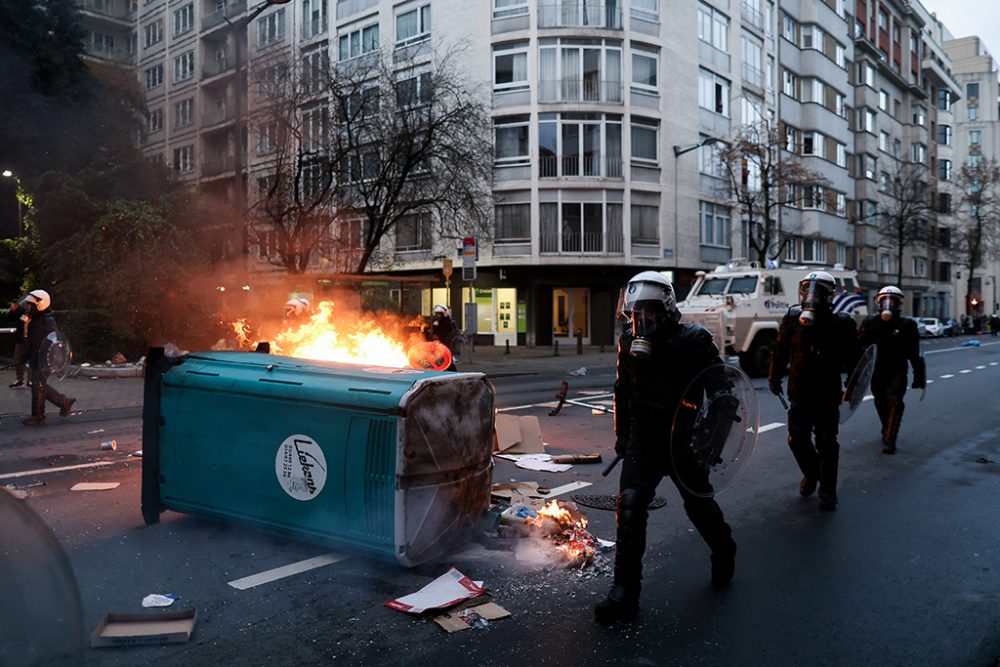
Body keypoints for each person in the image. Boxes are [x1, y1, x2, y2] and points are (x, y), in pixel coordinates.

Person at [594, 271, 737, 624]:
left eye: (646, 311)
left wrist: (709, 440)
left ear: (666, 308)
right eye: (633, 313)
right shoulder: (629, 341)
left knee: (699, 504)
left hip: (683, 439)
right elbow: (622, 391)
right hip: (644, 438)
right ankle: (624, 592)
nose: (639, 320)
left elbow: (722, 394)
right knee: (629, 507)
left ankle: (724, 549)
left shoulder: (695, 340)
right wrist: (622, 436)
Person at [768, 271, 861, 511]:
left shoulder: (842, 323)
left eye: (817, 290)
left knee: (827, 441)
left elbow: (855, 360)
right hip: (799, 390)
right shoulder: (792, 317)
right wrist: (774, 376)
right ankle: (812, 473)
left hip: (827, 392)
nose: (811, 295)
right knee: (797, 438)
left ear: (829, 295)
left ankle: (828, 491)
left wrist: (853, 386)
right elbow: (780, 350)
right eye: (808, 289)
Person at [858, 286, 926, 454]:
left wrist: (919, 376)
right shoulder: (870, 323)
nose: (889, 304)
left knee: (894, 400)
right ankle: (886, 427)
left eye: (893, 301)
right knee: (880, 402)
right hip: (876, 371)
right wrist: (854, 375)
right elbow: (860, 349)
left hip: (898, 371)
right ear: (878, 303)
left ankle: (890, 439)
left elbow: (914, 352)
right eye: (885, 300)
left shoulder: (907, 325)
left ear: (898, 304)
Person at [20, 290, 75, 426]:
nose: (28, 308)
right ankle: (65, 402)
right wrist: (26, 356)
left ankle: (38, 416)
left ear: (40, 305)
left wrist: (48, 360)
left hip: (43, 360)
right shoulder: (37, 319)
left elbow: (53, 342)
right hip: (36, 358)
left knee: (37, 386)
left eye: (30, 305)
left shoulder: (47, 320)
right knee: (39, 385)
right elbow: (33, 342)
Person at [7, 300, 28, 388]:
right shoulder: (20, 311)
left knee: (32, 360)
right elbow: (11, 319)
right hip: (21, 338)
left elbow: (26, 318)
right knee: (17, 359)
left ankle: (31, 381)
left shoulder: (30, 312)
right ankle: (20, 380)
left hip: (31, 339)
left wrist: (16, 310)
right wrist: (13, 310)